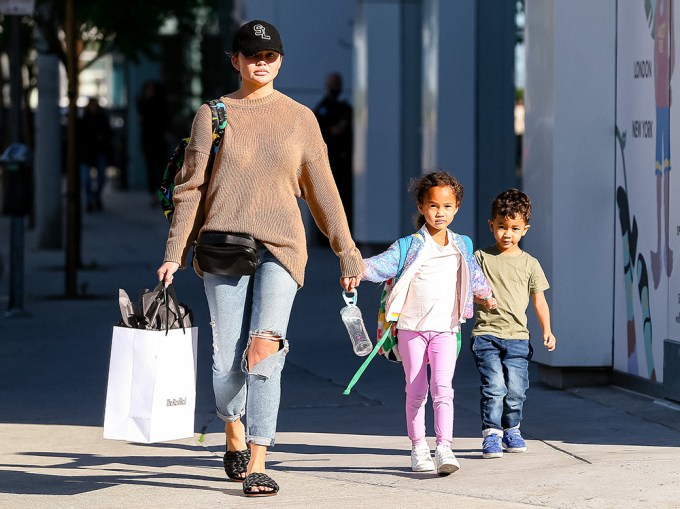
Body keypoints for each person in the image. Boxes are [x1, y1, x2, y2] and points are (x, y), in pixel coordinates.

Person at [156, 20, 364, 497]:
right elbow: (190, 190)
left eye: (269, 55)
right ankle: (231, 426)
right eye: (251, 55)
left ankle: (258, 458)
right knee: (226, 360)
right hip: (223, 243)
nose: (261, 62)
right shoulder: (213, 115)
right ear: (236, 61)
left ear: (281, 60)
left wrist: (346, 251)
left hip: (283, 247)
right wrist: (174, 252)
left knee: (265, 347)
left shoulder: (300, 118)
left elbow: (323, 191)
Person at [360, 171, 495, 475]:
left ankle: (445, 447)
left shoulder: (461, 244)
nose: (440, 213)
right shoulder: (409, 245)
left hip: (447, 329)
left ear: (457, 207)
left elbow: (473, 274)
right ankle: (419, 447)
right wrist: (357, 270)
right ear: (421, 207)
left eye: (447, 206)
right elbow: (382, 265)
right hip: (411, 329)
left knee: (443, 388)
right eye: (433, 206)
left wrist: (487, 295)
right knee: (416, 389)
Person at [470, 188, 556, 459]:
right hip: (486, 334)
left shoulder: (531, 264)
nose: (507, 233)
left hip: (518, 337)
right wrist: (481, 299)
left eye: (514, 228)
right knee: (494, 385)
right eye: (501, 227)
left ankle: (512, 430)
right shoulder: (481, 258)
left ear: (525, 229)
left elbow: (539, 301)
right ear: (491, 225)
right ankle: (492, 434)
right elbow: (467, 291)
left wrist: (547, 331)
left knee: (516, 389)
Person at [313, 72, 353, 235]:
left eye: (337, 84)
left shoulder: (345, 109)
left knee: (343, 200)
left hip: (344, 164)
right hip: (327, 163)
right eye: (332, 84)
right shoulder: (321, 109)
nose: (335, 88)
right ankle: (324, 236)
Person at [137, 80, 169, 206]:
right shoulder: (143, 102)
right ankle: (154, 195)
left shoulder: (160, 103)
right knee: (151, 168)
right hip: (149, 139)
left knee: (161, 168)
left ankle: (159, 194)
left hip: (158, 139)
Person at [78, 97, 112, 212]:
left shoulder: (102, 119)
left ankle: (95, 197)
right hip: (86, 153)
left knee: (102, 178)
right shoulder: (84, 119)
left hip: (99, 151)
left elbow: (108, 134)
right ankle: (89, 200)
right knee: (86, 179)